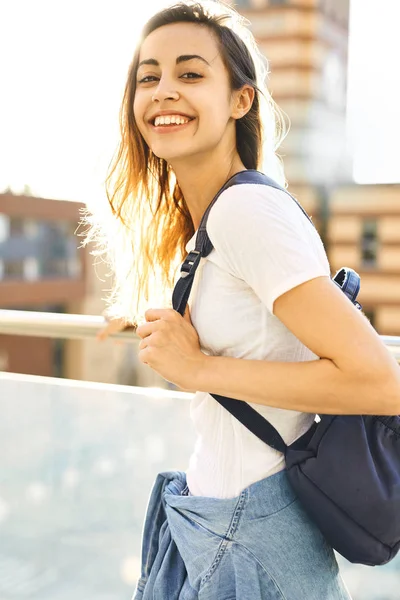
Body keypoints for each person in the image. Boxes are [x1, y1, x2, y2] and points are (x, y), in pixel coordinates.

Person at [86, 1, 400, 597]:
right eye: (147, 77)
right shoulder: (218, 217)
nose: (163, 91)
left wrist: (199, 368)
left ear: (241, 101)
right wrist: (140, 318)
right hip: (222, 523)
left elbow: (379, 382)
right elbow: (247, 316)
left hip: (253, 540)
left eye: (190, 73)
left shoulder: (246, 212)